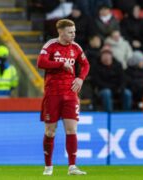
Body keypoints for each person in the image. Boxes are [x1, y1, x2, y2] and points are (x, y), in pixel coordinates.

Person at [37, 19, 90, 176]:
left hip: (70, 94)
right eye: (70, 32)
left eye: (74, 32)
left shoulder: (76, 47)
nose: (73, 35)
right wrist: (60, 64)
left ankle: (72, 166)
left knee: (71, 129)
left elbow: (86, 64)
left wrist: (80, 78)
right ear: (60, 32)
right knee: (50, 131)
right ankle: (48, 167)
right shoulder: (50, 45)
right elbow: (41, 62)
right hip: (52, 94)